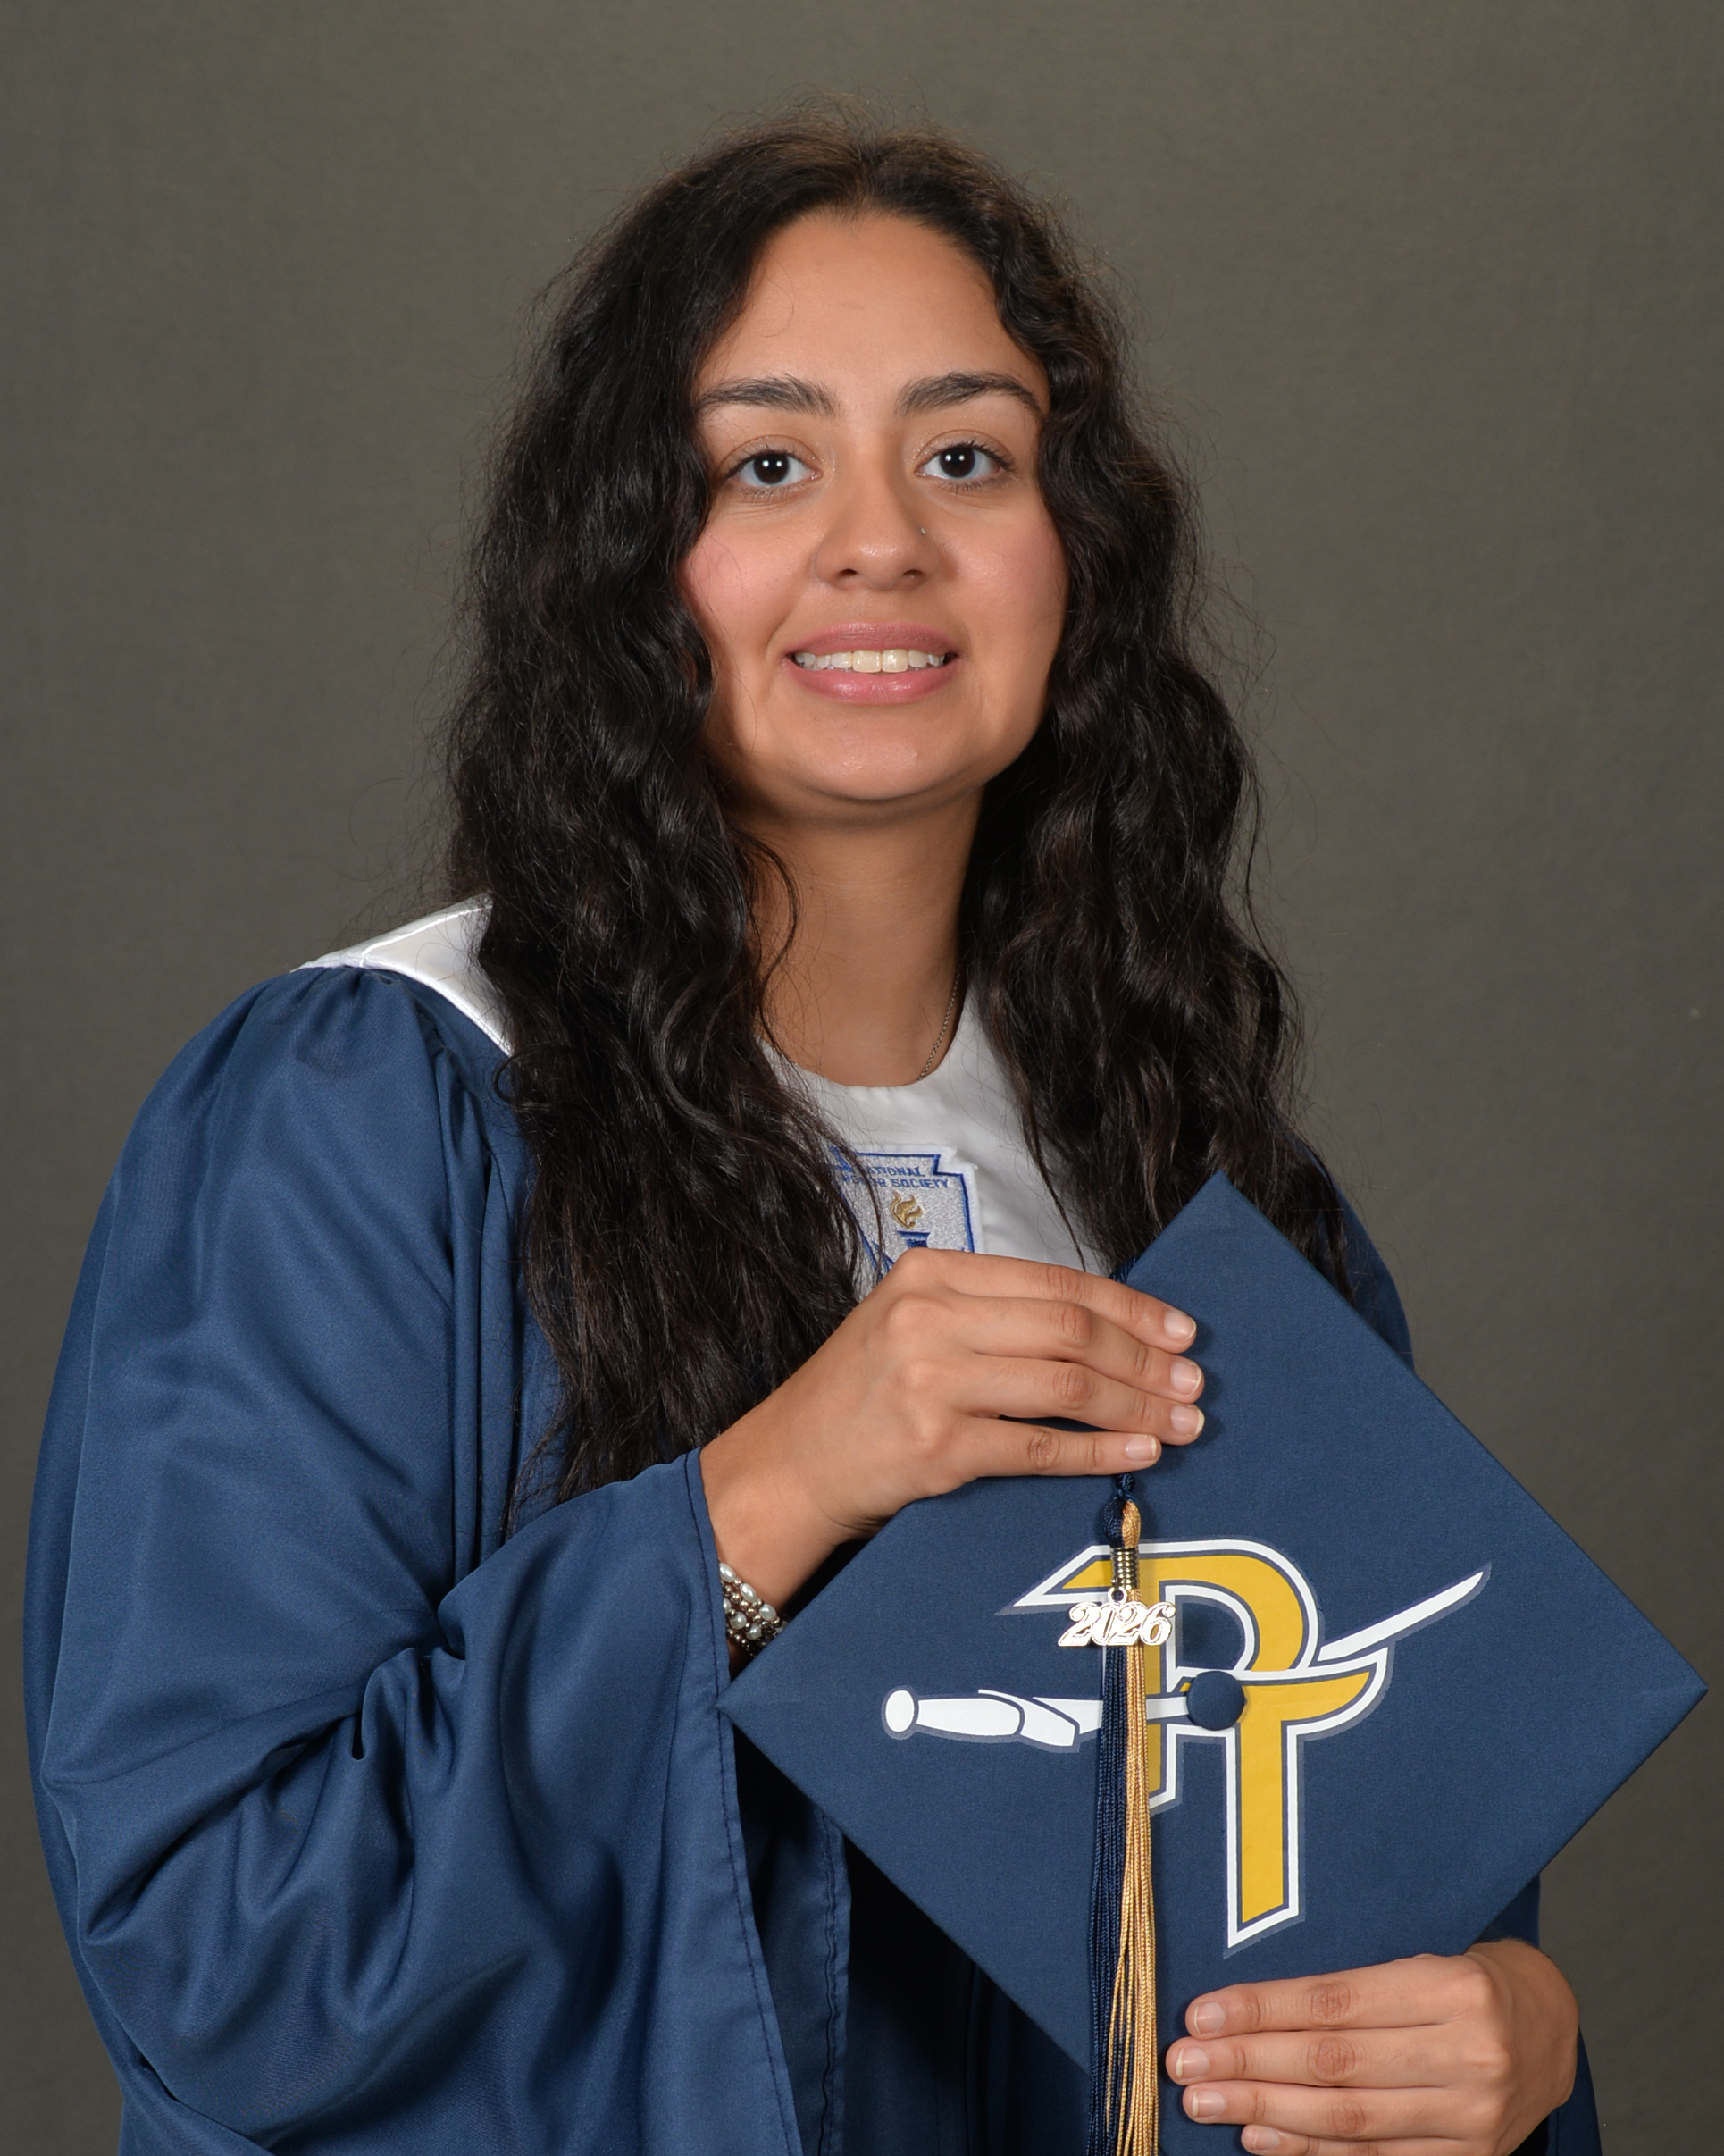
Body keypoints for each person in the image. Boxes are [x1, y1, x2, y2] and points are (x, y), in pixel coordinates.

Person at [26, 115, 1595, 2156]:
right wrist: (769, 1494)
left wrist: (1509, 2030)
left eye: (968, 457)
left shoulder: (1190, 1187)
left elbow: (1372, 1875)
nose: (880, 542)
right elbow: (224, 1957)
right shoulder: (370, 1113)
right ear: (625, 560)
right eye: (766, 465)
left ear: (1074, 556)